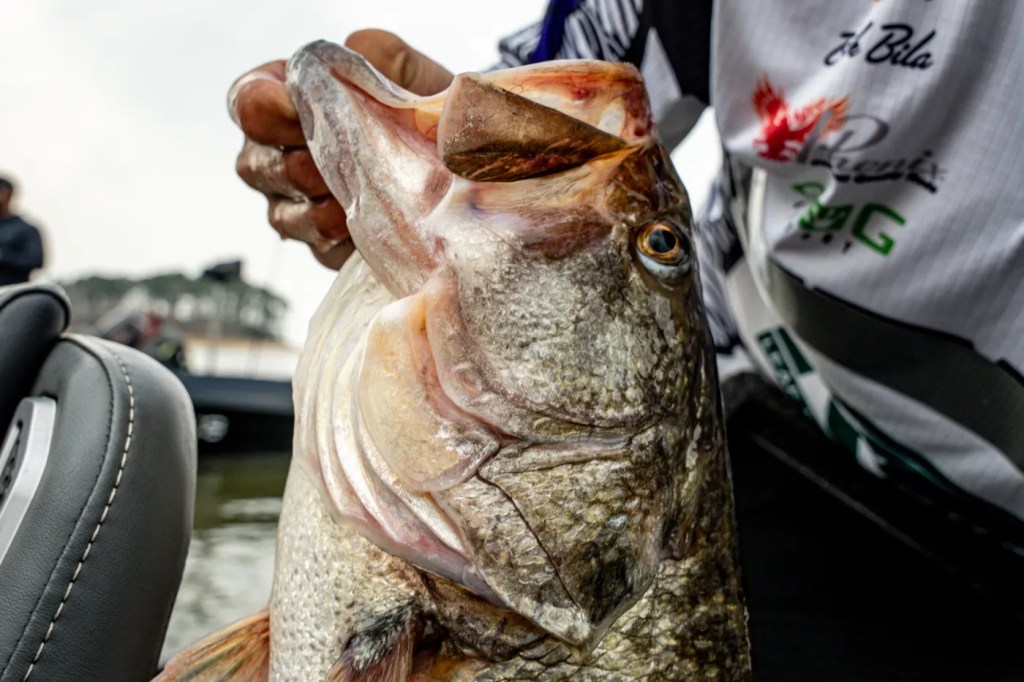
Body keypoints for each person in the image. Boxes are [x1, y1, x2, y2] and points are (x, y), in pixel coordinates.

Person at [227, 2, 1023, 674]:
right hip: (761, 440)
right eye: (657, 248)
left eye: (658, 247)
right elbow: (560, 114)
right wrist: (461, 124)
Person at [0, 176, 44, 286]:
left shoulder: (25, 230)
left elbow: (35, 260)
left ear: (9, 195)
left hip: (14, 292)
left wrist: (4, 257)